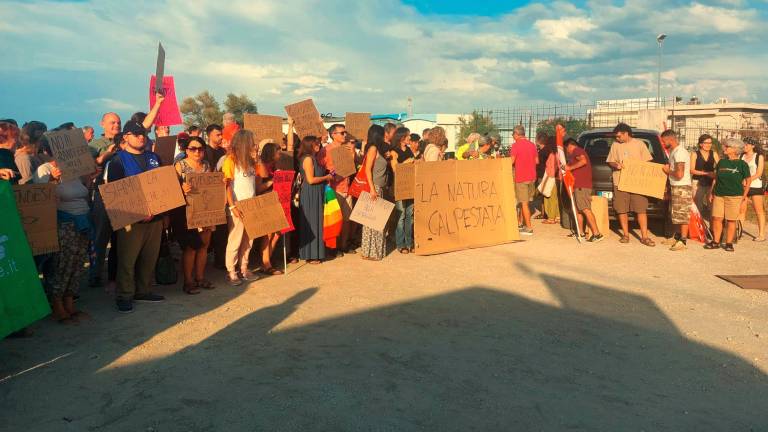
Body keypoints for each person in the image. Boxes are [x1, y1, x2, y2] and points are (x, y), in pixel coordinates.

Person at [106, 121, 166, 313]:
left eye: (144, 133)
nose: (141, 136)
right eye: (137, 133)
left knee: (149, 257)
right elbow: (115, 193)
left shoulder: (154, 157)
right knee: (127, 259)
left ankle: (144, 290)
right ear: (126, 137)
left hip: (155, 217)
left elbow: (163, 187)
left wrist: (160, 211)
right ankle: (124, 295)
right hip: (131, 220)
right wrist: (140, 211)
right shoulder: (117, 161)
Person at [34, 138, 92, 323]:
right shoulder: (44, 169)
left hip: (83, 221)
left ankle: (70, 302)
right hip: (63, 222)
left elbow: (83, 192)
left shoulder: (74, 170)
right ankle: (57, 304)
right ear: (49, 151)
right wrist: (52, 180)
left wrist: (89, 179)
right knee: (61, 265)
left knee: (77, 263)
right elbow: (41, 196)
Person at [171, 137, 215, 295]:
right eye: (192, 148)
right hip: (187, 212)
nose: (197, 152)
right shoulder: (179, 166)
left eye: (200, 149)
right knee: (190, 248)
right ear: (186, 150)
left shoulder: (207, 165)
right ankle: (188, 281)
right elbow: (170, 189)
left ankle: (200, 277)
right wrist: (181, 188)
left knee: (204, 245)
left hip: (205, 209)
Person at [606, 123, 654, 246]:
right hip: (620, 182)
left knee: (640, 209)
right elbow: (610, 160)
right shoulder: (615, 145)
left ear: (626, 133)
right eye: (616, 137)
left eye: (619, 136)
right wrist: (615, 165)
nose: (617, 139)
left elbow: (648, 162)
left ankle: (644, 237)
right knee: (621, 209)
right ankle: (626, 235)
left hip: (637, 183)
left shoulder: (639, 144)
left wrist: (638, 168)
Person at [222, 130, 260, 286]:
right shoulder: (230, 160)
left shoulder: (251, 161)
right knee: (235, 239)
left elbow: (258, 178)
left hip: (251, 204)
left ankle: (244, 268)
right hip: (237, 205)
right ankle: (231, 271)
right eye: (251, 141)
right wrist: (232, 206)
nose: (254, 143)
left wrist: (256, 157)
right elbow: (227, 186)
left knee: (249, 240)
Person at [317, 124, 356, 256]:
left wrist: (352, 154)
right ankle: (332, 248)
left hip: (347, 187)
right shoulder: (325, 150)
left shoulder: (347, 148)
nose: (345, 135)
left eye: (345, 132)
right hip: (333, 189)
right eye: (342, 133)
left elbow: (352, 166)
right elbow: (320, 168)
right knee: (334, 220)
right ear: (333, 134)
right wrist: (331, 173)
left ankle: (343, 245)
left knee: (347, 219)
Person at [705, 138, 750, 252]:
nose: (724, 148)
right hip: (719, 195)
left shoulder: (742, 164)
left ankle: (729, 243)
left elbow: (748, 181)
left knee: (731, 220)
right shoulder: (721, 162)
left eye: (727, 146)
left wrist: (744, 196)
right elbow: (716, 178)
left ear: (735, 149)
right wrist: (711, 192)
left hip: (734, 196)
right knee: (717, 218)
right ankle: (716, 241)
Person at [298, 136, 333, 264]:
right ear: (309, 145)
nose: (318, 145)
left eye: (319, 143)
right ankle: (310, 254)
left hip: (317, 192)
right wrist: (326, 177)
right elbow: (311, 180)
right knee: (312, 223)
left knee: (318, 222)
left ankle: (317, 252)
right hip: (310, 193)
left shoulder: (315, 158)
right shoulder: (308, 159)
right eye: (315, 144)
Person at [360, 125, 390, 261]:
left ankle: (370, 251)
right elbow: (367, 170)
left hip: (378, 187)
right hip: (375, 188)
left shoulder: (377, 149)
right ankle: (371, 252)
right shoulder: (373, 149)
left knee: (374, 221)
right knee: (374, 222)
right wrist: (372, 189)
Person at [565, 137, 603, 242]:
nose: (567, 151)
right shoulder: (575, 153)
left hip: (582, 185)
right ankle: (580, 232)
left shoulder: (577, 151)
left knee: (585, 209)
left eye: (566, 148)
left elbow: (583, 161)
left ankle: (597, 233)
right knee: (578, 210)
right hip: (577, 185)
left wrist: (570, 168)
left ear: (570, 146)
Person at [255, 142, 283, 275]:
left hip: (275, 201)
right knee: (269, 234)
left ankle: (266, 261)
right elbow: (258, 188)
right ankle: (266, 264)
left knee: (277, 233)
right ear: (271, 153)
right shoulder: (261, 166)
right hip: (265, 201)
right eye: (278, 152)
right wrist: (273, 181)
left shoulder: (274, 165)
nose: (280, 154)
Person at [661, 130, 692, 251]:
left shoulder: (680, 152)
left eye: (664, 141)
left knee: (682, 214)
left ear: (670, 139)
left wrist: (667, 171)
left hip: (682, 187)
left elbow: (679, 174)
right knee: (676, 213)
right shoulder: (674, 151)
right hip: (676, 186)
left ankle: (683, 241)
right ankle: (677, 236)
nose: (663, 143)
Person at [204, 124, 228, 268]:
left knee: (221, 230)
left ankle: (220, 260)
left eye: (221, 134)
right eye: (217, 135)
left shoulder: (223, 152)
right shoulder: (205, 151)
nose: (220, 137)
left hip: (222, 194)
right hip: (208, 195)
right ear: (209, 135)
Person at [508, 125, 538, 235]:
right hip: (532, 177)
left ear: (516, 134)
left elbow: (511, 161)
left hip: (521, 177)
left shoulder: (515, 146)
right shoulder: (532, 145)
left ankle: (529, 228)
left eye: (513, 135)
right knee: (526, 202)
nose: (513, 137)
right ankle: (521, 223)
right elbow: (537, 161)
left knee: (523, 203)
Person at [390, 127, 415, 253]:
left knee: (410, 215)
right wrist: (406, 162)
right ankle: (401, 244)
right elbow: (395, 169)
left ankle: (410, 242)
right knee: (401, 215)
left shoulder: (409, 150)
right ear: (401, 137)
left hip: (410, 186)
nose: (410, 138)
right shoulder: (394, 151)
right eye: (408, 135)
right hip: (400, 187)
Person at [739, 137, 765, 241]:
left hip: (755, 186)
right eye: (743, 145)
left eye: (746, 145)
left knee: (759, 211)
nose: (744, 147)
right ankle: (739, 232)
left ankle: (761, 234)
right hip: (743, 186)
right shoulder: (741, 156)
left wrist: (747, 180)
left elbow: (759, 173)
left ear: (753, 146)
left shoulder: (759, 156)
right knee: (741, 210)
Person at [690, 134, 719, 221]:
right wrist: (706, 173)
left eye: (710, 143)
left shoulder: (714, 154)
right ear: (700, 144)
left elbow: (720, 166)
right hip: (698, 182)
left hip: (711, 182)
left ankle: (712, 226)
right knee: (698, 204)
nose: (709, 145)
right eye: (706, 143)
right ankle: (698, 224)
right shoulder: (695, 154)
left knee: (711, 204)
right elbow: (691, 170)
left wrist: (715, 174)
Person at [541, 136, 560, 225]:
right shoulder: (557, 153)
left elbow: (551, 168)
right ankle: (557, 216)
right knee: (555, 198)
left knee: (548, 197)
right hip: (556, 178)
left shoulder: (552, 155)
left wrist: (548, 178)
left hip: (550, 177)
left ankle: (551, 218)